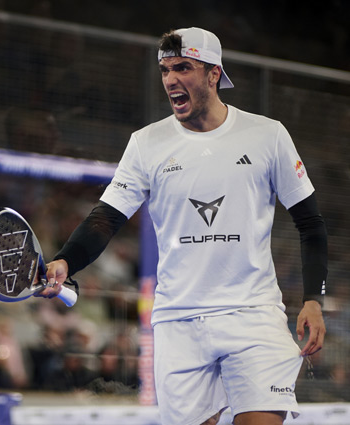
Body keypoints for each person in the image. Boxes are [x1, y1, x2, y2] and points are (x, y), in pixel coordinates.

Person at [39, 27, 327, 425]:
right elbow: (106, 217)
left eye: (183, 68)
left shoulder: (268, 136)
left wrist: (314, 298)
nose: (171, 79)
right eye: (165, 70)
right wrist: (66, 262)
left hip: (253, 315)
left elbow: (311, 224)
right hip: (179, 322)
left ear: (214, 73)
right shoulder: (146, 143)